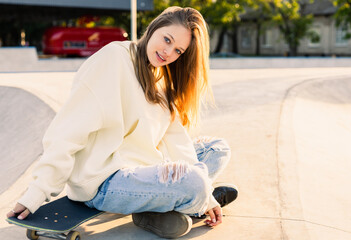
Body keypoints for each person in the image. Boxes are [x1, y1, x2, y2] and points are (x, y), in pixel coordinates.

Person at [7, 6, 238, 238]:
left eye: (178, 50)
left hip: (144, 170)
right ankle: (178, 203)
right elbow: (67, 131)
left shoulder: (160, 77)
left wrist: (206, 196)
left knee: (216, 149)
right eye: (166, 39)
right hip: (106, 182)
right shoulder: (113, 59)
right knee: (194, 182)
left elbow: (177, 141)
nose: (168, 53)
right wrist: (36, 193)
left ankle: (165, 205)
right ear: (154, 28)